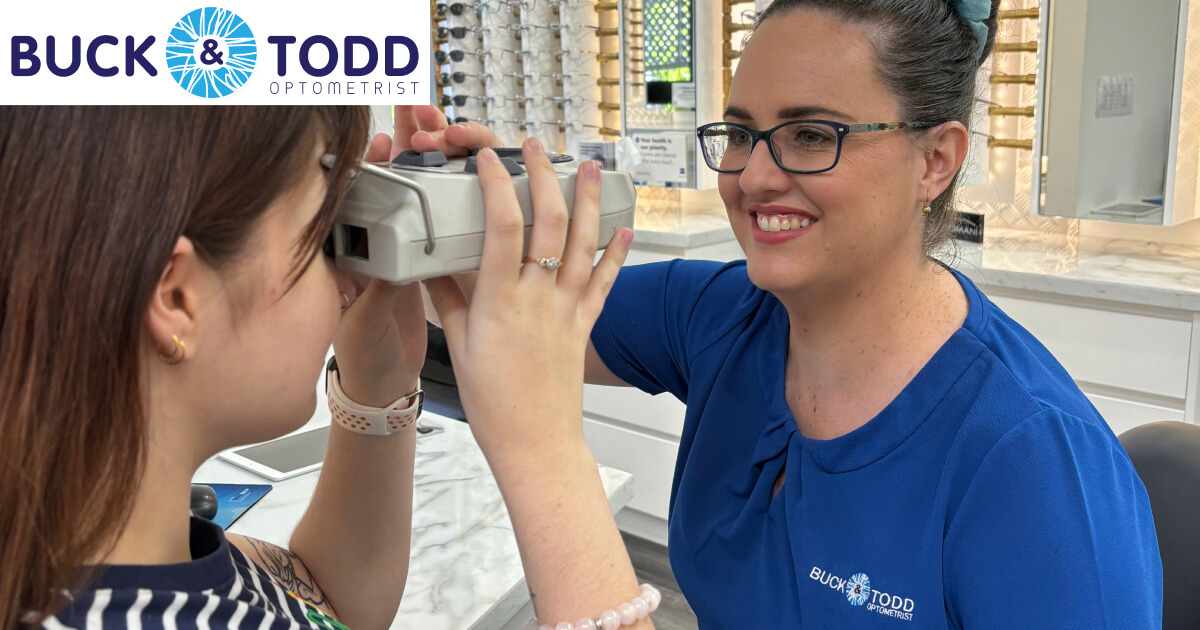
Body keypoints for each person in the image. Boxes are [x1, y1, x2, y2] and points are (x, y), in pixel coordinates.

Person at [580, 0, 1163, 627]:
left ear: (935, 160)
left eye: (810, 135)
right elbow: (509, 319)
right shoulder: (718, 318)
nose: (753, 177)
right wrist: (471, 201)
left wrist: (542, 451)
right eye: (742, 135)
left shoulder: (1036, 469)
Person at [0, 106, 659, 630]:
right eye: (323, 230)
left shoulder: (97, 549)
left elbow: (321, 604)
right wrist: (540, 442)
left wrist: (378, 378)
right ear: (176, 299)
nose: (348, 267)